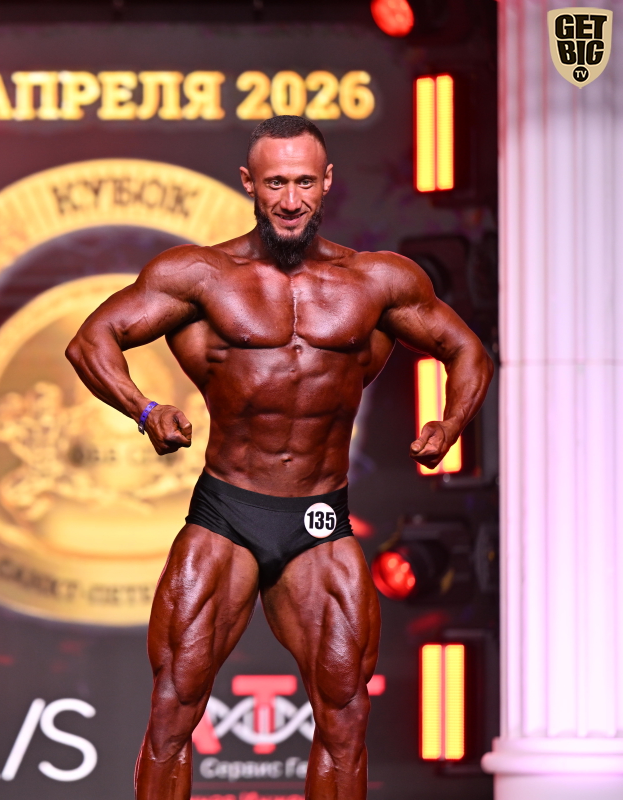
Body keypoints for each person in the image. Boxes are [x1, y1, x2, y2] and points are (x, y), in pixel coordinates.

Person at [65, 115, 493, 800]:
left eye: (303, 182)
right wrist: (145, 411)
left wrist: (449, 425)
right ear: (249, 183)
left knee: (345, 717)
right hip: (227, 512)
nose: (290, 200)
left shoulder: (378, 281)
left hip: (320, 520)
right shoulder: (200, 274)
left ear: (326, 183)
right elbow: (92, 341)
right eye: (275, 184)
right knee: (174, 708)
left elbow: (467, 350)